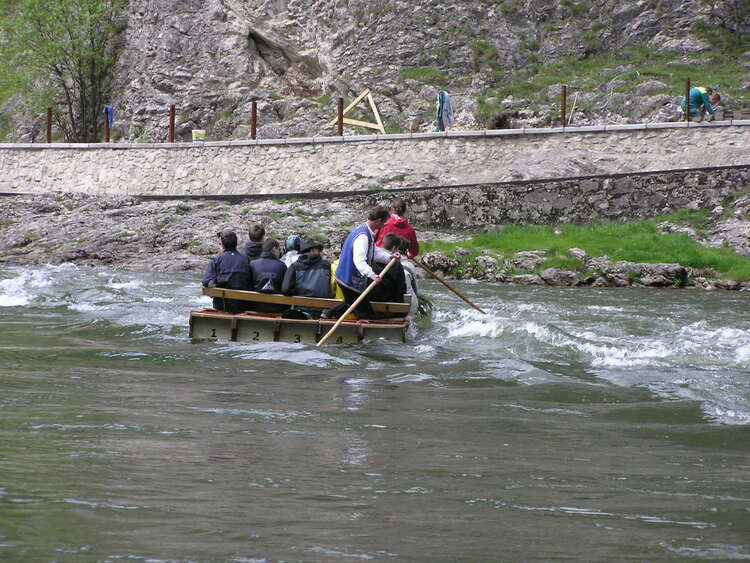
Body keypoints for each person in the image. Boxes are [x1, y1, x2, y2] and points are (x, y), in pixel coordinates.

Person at [325, 206, 398, 319]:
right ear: (379, 220)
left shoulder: (364, 231)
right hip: (348, 278)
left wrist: (389, 257)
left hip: (347, 277)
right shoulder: (363, 236)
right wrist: (371, 274)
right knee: (365, 313)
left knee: (353, 302)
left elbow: (373, 251)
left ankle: (327, 314)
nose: (384, 225)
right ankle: (330, 316)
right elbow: (359, 260)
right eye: (384, 222)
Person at [202, 229, 252, 314]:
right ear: (236, 244)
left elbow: (206, 282)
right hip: (242, 307)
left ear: (222, 245)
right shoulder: (246, 260)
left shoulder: (216, 260)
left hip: (221, 307)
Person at [281, 237, 331, 318]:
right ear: (313, 250)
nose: (320, 252)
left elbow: (285, 290)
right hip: (322, 312)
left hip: (301, 312)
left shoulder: (294, 267)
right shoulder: (326, 266)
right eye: (318, 250)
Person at [382, 233, 419, 319]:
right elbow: (415, 289)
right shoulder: (409, 266)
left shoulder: (380, 261)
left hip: (383, 304)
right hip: (407, 307)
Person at [248, 238, 287, 313]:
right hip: (276, 307)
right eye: (279, 250)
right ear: (274, 249)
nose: (280, 252)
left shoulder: (252, 264)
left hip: (255, 306)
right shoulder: (282, 266)